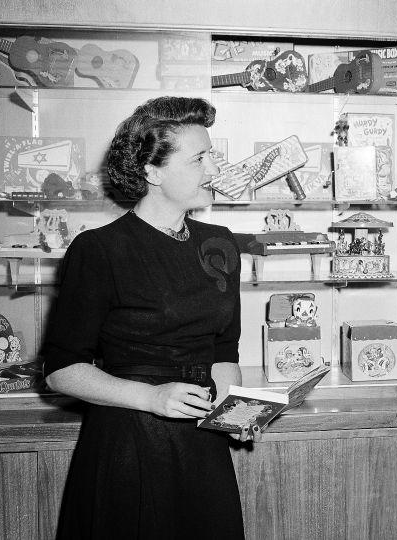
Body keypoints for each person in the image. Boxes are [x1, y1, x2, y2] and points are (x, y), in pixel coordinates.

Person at [42, 96, 247, 539]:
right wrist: (152, 398)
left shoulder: (221, 243)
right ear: (153, 172)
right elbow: (61, 372)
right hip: (130, 442)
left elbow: (223, 348)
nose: (213, 170)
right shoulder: (99, 250)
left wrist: (234, 415)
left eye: (212, 156)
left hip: (202, 444)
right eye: (199, 159)